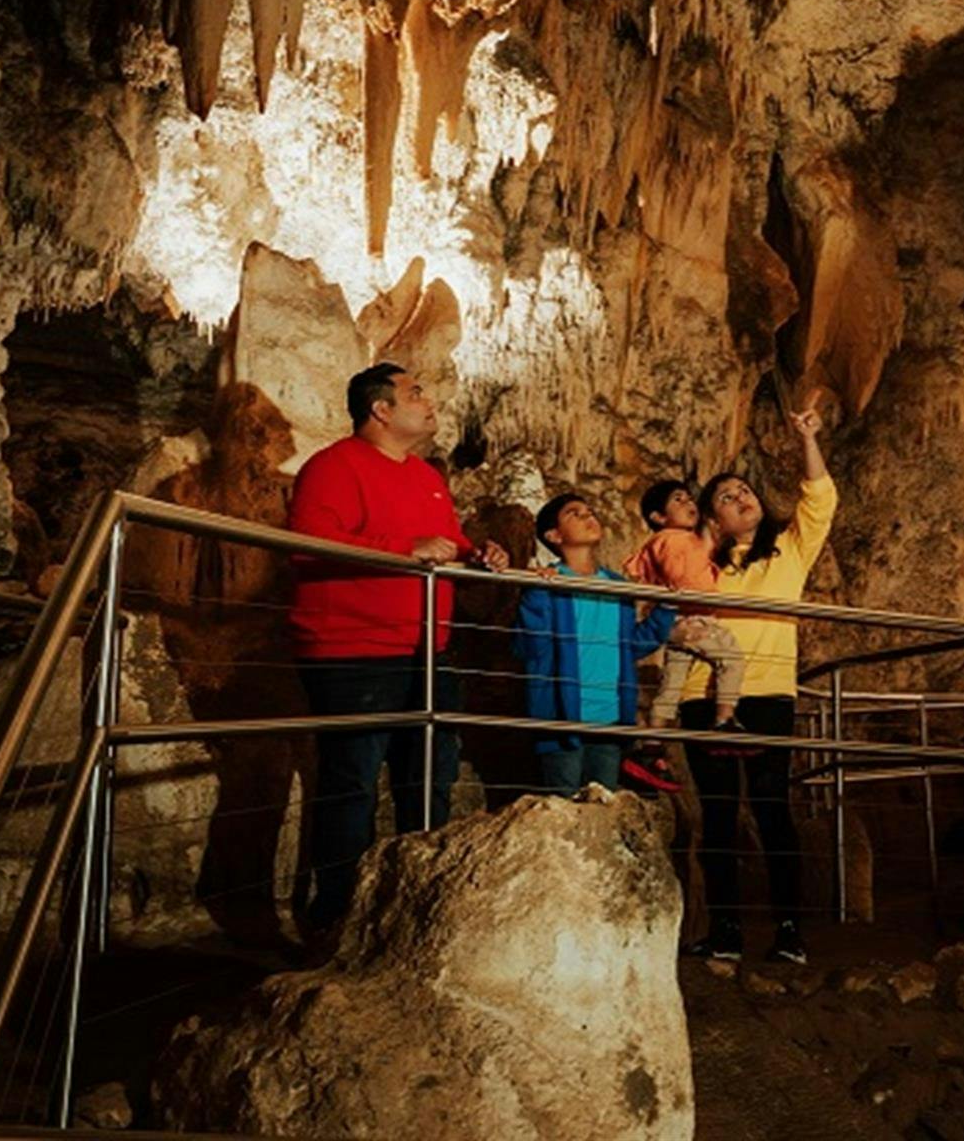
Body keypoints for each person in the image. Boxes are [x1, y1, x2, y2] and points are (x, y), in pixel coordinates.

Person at [287, 361, 508, 933]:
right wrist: (403, 548)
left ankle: (417, 906)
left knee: (429, 778)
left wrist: (478, 553)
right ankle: (337, 914)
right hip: (352, 647)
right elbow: (307, 546)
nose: (430, 401)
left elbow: (447, 545)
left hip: (426, 649)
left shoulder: (427, 477)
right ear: (380, 409)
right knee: (352, 780)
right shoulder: (332, 467)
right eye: (415, 393)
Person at [682, 403, 835, 964]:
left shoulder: (788, 552)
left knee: (772, 807)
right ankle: (725, 931)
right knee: (718, 813)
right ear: (711, 519)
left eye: (744, 489)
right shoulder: (700, 564)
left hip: (769, 694)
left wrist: (808, 440)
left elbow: (819, 502)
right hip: (704, 693)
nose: (741, 496)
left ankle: (789, 931)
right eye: (725, 496)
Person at [514, 493, 675, 793]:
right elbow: (530, 648)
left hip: (610, 719)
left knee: (602, 809)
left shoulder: (618, 586)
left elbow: (631, 645)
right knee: (563, 807)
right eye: (575, 513)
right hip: (562, 719)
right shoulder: (549, 584)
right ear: (554, 535)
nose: (589, 516)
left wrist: (665, 610)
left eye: (590, 511)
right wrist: (535, 592)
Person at [621, 479, 747, 792]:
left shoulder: (679, 540)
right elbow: (685, 577)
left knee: (671, 687)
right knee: (732, 658)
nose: (689, 503)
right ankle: (723, 722)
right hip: (692, 618)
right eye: (678, 499)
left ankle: (651, 746)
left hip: (675, 621)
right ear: (658, 517)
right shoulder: (672, 539)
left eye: (690, 498)